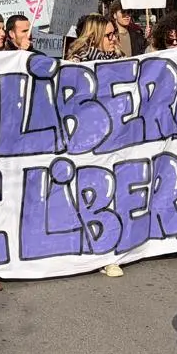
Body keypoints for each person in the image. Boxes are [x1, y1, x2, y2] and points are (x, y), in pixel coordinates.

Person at [68, 15, 126, 278]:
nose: (114, 39)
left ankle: (108, 252)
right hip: (85, 139)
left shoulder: (122, 60)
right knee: (90, 196)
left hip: (117, 137)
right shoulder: (76, 64)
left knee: (113, 195)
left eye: (115, 34)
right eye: (109, 35)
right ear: (94, 37)